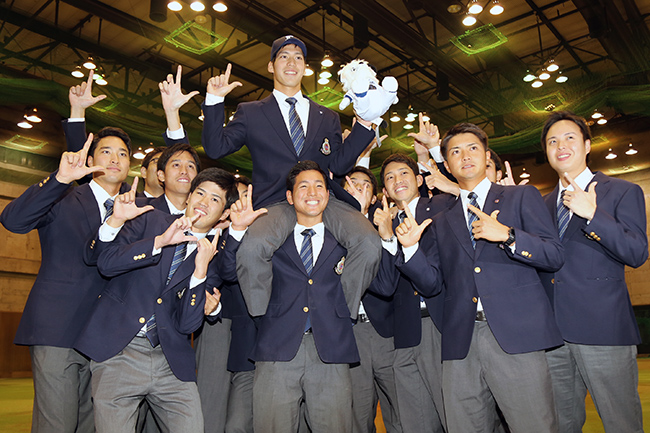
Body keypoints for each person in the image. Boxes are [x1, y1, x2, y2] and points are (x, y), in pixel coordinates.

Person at [193, 35, 382, 319]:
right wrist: (214, 100)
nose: (291, 62)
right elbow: (216, 147)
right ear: (271, 66)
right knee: (252, 249)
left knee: (368, 242)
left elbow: (340, 165)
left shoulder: (327, 116)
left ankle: (342, 312)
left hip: (323, 199)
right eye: (283, 56)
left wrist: (365, 124)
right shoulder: (250, 112)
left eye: (298, 57)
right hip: (274, 202)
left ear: (305, 67)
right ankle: (265, 319)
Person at [394, 122, 564, 433]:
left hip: (516, 337)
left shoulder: (520, 197)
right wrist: (410, 251)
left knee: (534, 425)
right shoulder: (442, 220)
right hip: (461, 342)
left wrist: (509, 236)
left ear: (486, 155)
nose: (465, 156)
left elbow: (553, 255)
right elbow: (432, 284)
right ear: (447, 164)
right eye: (455, 152)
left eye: (473, 148)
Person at [74, 168, 263, 433]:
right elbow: (106, 264)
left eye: (214, 200)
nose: (203, 202)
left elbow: (188, 324)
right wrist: (159, 242)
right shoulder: (148, 220)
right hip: (118, 350)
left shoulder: (213, 258)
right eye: (200, 193)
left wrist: (199, 272)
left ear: (223, 215)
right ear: (188, 197)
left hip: (171, 360)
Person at [0, 131, 131, 432]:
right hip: (57, 329)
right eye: (107, 151)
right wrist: (59, 179)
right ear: (90, 160)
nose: (115, 159)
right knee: (56, 423)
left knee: (90, 424)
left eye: (123, 154)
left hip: (104, 337)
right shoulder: (63, 198)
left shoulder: (136, 211)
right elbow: (13, 220)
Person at [226, 161, 365, 432]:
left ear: (328, 194)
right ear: (289, 197)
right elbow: (236, 271)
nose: (312, 192)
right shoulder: (269, 239)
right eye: (303, 186)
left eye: (319, 186)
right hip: (276, 349)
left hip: (331, 350)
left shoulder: (347, 241)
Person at [538, 111, 647, 433]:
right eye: (552, 141)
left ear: (587, 145)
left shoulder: (622, 191)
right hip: (552, 337)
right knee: (559, 424)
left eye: (570, 138)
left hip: (604, 331)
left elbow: (637, 252)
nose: (561, 146)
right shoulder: (540, 205)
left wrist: (593, 215)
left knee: (621, 422)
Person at [373, 153, 453, 433]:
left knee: (455, 415)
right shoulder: (384, 224)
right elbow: (384, 286)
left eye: (404, 173)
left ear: (419, 180)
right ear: (384, 191)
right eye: (390, 177)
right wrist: (386, 238)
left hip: (442, 325)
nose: (398, 180)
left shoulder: (443, 206)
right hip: (405, 332)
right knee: (415, 420)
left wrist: (435, 153)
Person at [342, 167, 402, 433]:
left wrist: (367, 220)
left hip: (386, 332)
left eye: (364, 185)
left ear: (375, 194)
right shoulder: (330, 227)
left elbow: (387, 284)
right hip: (350, 335)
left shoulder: (386, 224)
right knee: (358, 415)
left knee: (402, 411)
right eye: (351, 184)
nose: (357, 189)